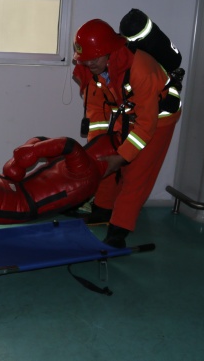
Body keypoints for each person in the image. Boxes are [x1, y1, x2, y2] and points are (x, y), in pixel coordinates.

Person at [72, 18, 181, 248]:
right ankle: (102, 210)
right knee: (105, 161)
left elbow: (146, 125)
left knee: (135, 172)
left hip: (158, 118)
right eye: (85, 59)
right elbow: (96, 112)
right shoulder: (91, 70)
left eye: (93, 58)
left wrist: (122, 157)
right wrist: (98, 149)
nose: (88, 63)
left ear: (109, 51)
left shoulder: (141, 69)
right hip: (128, 113)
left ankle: (119, 230)